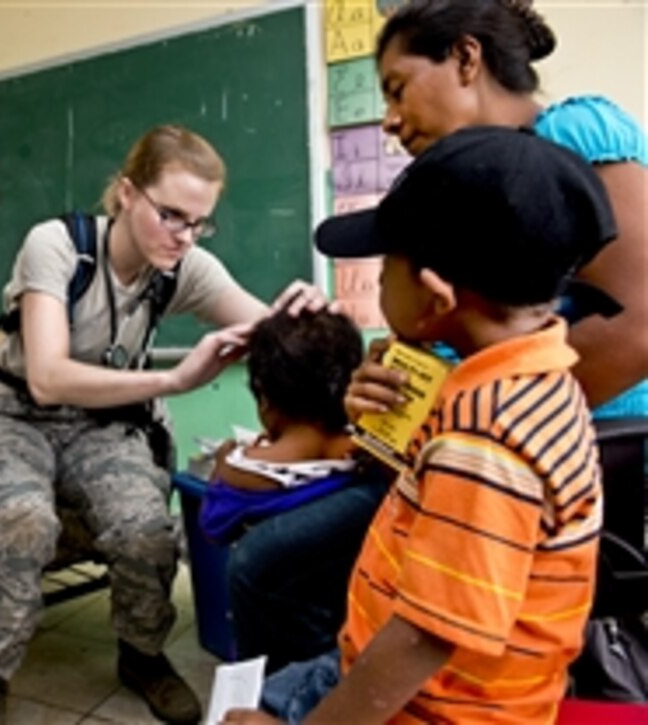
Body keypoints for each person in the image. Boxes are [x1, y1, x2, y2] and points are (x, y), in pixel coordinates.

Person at [0, 124, 326, 725]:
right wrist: (172, 381)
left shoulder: (183, 266)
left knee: (145, 527)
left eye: (199, 222)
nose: (184, 236)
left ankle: (141, 655)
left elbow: (270, 331)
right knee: (21, 518)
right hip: (12, 417)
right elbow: (46, 377)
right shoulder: (58, 246)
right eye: (170, 214)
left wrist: (304, 318)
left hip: (102, 426)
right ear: (125, 193)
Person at [226, 126, 614, 724]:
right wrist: (385, 426)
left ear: (435, 296)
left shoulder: (486, 438)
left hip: (437, 709)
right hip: (430, 680)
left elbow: (425, 636)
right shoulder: (531, 385)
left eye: (386, 262)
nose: (378, 278)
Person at [354, 0, 647, 417]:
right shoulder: (457, 188)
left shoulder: (571, 134)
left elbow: (640, 329)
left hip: (592, 450)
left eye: (398, 90)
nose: (390, 121)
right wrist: (392, 390)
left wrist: (467, 412)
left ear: (465, 58)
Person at [199, 308, 388, 673]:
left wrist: (227, 456)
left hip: (276, 648)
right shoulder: (366, 456)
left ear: (265, 399)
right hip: (348, 635)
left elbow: (213, 522)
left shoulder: (244, 468)